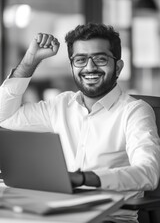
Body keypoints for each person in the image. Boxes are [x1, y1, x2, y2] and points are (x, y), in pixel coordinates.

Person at [0, 22, 160, 223]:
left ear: (118, 67)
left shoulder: (135, 111)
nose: (90, 67)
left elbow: (148, 172)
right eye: (80, 60)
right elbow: (4, 116)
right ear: (72, 66)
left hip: (110, 219)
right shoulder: (61, 105)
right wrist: (30, 60)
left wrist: (85, 178)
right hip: (58, 214)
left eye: (100, 59)